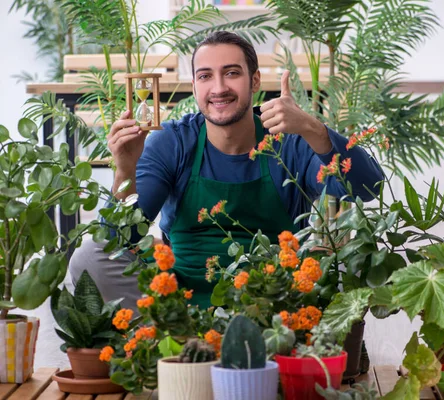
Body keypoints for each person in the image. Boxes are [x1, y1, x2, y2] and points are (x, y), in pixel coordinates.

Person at [69, 31, 384, 309]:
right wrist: (125, 171)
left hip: (274, 301)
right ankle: (175, 344)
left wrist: (314, 129)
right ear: (194, 86)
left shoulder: (288, 141)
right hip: (180, 304)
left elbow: (369, 188)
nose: (218, 88)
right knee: (89, 256)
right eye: (205, 76)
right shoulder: (173, 142)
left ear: (255, 80)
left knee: (353, 259)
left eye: (231, 73)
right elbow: (121, 237)